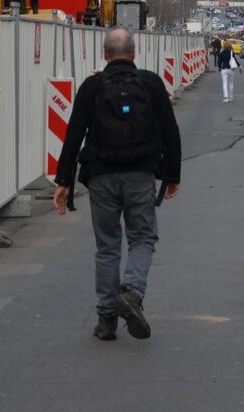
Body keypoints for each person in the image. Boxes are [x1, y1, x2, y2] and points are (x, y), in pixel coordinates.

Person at [53, 26, 182, 342]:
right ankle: (133, 293)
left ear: (105, 54)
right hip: (140, 175)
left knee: (107, 247)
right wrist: (172, 176)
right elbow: (170, 131)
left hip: (101, 176)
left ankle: (106, 320)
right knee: (142, 238)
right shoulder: (151, 83)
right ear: (134, 54)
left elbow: (74, 135)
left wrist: (64, 181)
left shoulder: (92, 86)